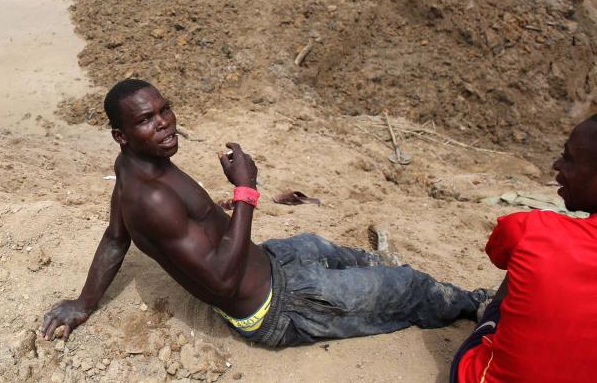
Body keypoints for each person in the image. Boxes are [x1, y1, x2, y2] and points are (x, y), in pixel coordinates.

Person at [42, 79, 490, 346]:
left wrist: (84, 302)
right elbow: (220, 279)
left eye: (165, 109)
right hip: (277, 308)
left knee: (331, 250)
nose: (164, 123)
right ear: (121, 135)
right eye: (146, 120)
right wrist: (245, 190)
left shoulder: (130, 169)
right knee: (409, 288)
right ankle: (480, 306)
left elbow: (116, 238)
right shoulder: (150, 198)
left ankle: (393, 276)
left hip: (272, 262)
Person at [450, 116, 597, 383]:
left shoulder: (533, 229)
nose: (557, 165)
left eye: (569, 158)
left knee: (527, 261)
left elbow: (498, 253)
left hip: (481, 377)